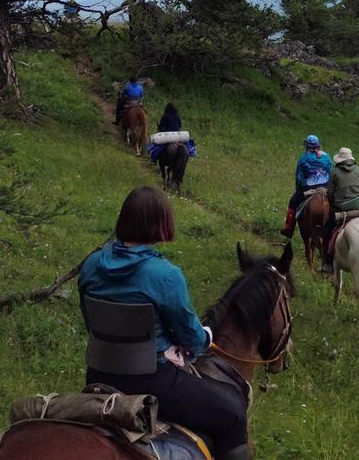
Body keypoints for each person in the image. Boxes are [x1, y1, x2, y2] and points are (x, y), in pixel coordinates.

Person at [78, 187, 249, 459]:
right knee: (233, 416)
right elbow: (191, 338)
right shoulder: (165, 275)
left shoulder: (90, 265)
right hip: (152, 383)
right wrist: (202, 336)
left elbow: (92, 324)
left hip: (98, 377)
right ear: (161, 224)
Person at [319, 147, 359, 274]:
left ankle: (328, 263)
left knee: (326, 233)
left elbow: (330, 193)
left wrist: (332, 206)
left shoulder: (334, 172)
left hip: (342, 209)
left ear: (340, 160)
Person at [280, 135, 332, 237]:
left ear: (306, 146)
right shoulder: (327, 157)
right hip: (325, 188)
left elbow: (299, 177)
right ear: (318, 145)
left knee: (293, 202)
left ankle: (289, 228)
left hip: (309, 189)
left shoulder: (303, 158)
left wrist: (299, 189)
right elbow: (331, 172)